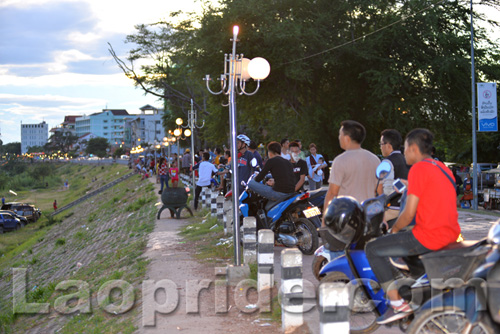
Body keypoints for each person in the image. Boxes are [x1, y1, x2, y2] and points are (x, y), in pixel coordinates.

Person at [365, 128, 461, 324]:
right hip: (451, 234)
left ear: (415, 148)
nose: (404, 152)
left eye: (406, 148)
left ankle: (397, 304)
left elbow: (408, 214)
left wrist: (394, 230)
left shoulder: (418, 168)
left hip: (428, 236)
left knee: (373, 248)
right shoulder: (443, 168)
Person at [322, 120, 380, 225]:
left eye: (340, 134)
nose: (338, 137)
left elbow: (332, 193)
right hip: (370, 216)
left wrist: (324, 221)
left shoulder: (340, 160)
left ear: (346, 138)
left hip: (348, 218)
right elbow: (379, 191)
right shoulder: (375, 159)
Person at [378, 129, 410, 222]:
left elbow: (387, 190)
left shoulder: (387, 162)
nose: (380, 147)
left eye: (381, 144)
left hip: (392, 209)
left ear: (388, 145)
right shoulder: (408, 160)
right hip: (408, 207)